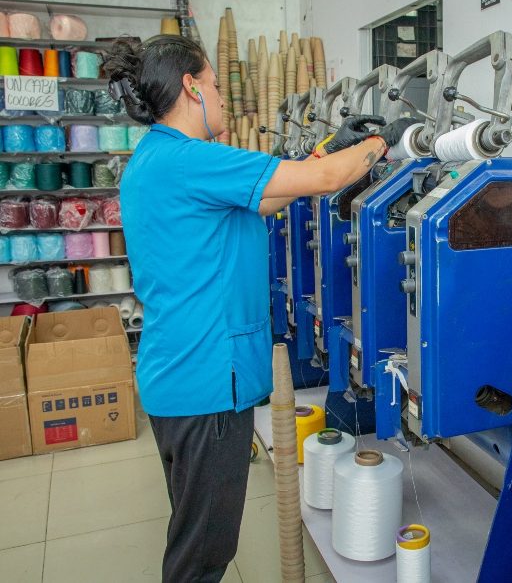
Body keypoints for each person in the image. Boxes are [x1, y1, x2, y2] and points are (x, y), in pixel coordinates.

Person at [105, 34, 410, 582]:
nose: (222, 99)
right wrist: (383, 143)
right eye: (216, 87)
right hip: (206, 383)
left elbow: (271, 196)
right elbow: (324, 183)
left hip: (177, 373)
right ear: (191, 87)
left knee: (193, 531)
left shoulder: (157, 157)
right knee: (203, 555)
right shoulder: (191, 159)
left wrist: (328, 148)